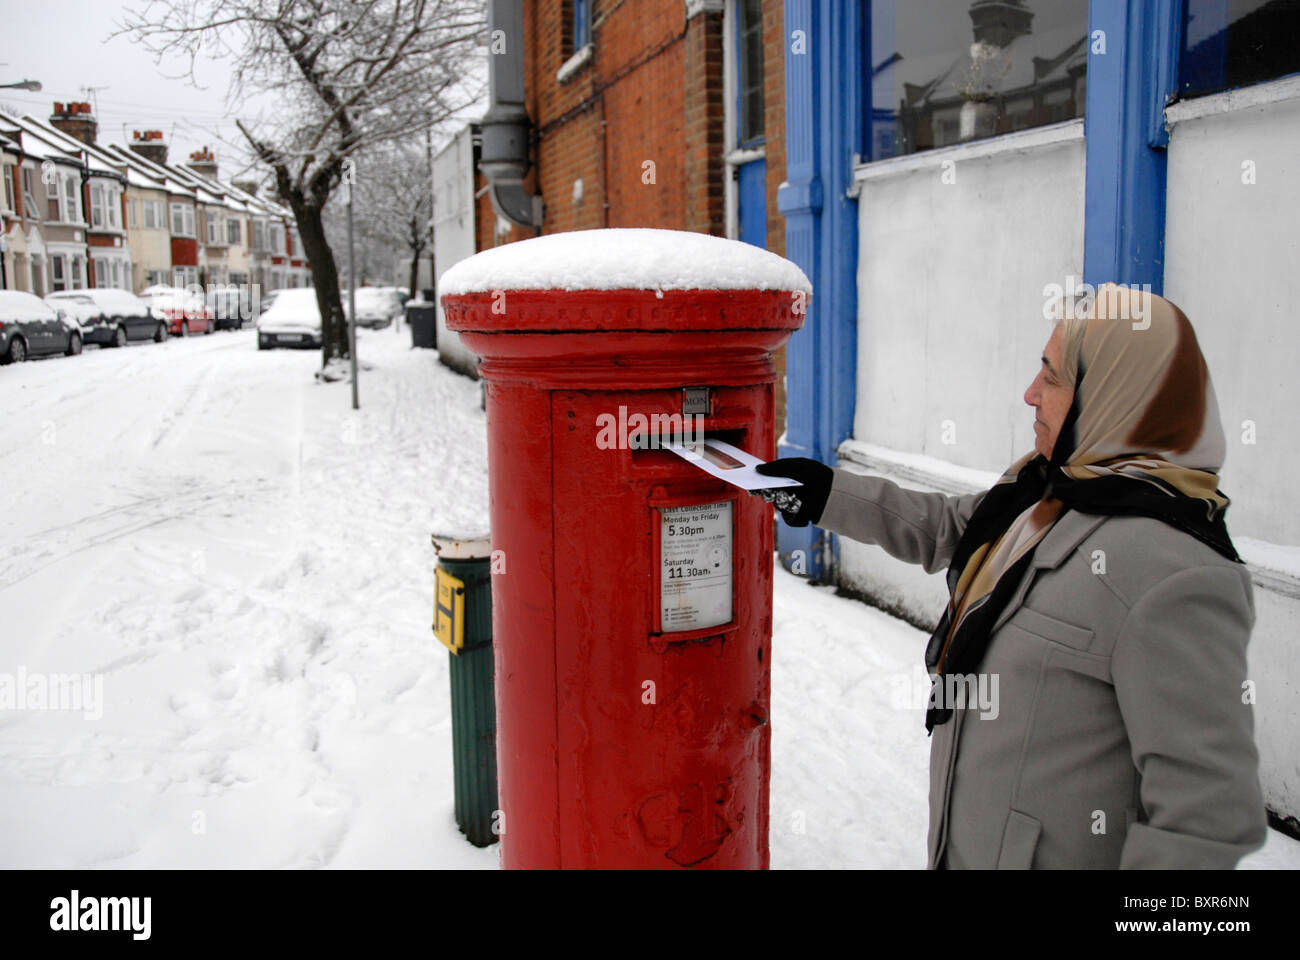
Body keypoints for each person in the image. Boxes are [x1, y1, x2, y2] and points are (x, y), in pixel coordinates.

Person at [756, 283, 1268, 869]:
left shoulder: (1175, 574)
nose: (1030, 394)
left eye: (1051, 377)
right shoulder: (1047, 485)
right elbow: (955, 530)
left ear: (1110, 394)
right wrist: (824, 494)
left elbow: (1208, 820)